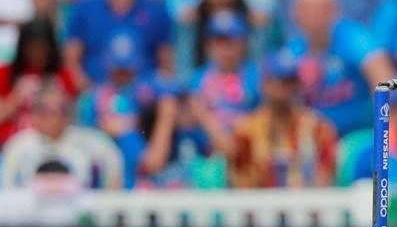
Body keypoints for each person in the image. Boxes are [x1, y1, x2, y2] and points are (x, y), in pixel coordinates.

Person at [283, 0, 393, 136]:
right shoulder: (292, 51)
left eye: (323, 8)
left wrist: (385, 130)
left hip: (357, 136)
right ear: (295, 15)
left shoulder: (353, 37)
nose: (316, 15)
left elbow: (383, 78)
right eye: (307, 8)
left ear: (337, 10)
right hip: (314, 140)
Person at [76, 32, 180, 187]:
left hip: (138, 191)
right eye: (118, 69)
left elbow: (152, 162)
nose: (122, 75)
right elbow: (152, 162)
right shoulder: (96, 99)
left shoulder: (146, 93)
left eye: (126, 69)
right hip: (108, 192)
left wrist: (167, 111)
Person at [228, 49, 338, 188]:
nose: (282, 89)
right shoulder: (246, 130)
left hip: (304, 204)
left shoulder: (318, 128)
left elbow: (325, 177)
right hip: (260, 204)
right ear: (264, 84)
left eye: (289, 82)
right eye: (276, 82)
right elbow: (239, 182)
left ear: (298, 85)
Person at [0, 81, 124, 189]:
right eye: (46, 111)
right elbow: (7, 186)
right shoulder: (18, 147)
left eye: (60, 110)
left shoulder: (94, 143)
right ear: (34, 115)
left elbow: (114, 171)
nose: (54, 117)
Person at [188, 10, 260, 158]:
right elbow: (193, 121)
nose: (225, 49)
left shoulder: (255, 77)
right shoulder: (197, 80)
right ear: (208, 45)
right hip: (207, 155)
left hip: (246, 152)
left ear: (243, 44)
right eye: (219, 42)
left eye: (231, 42)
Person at [0, 17, 79, 145]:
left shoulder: (63, 76)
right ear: (22, 47)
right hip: (9, 147)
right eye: (32, 48)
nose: (36, 53)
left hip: (51, 148)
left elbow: (73, 120)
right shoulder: (6, 73)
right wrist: (15, 98)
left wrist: (57, 98)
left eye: (42, 48)